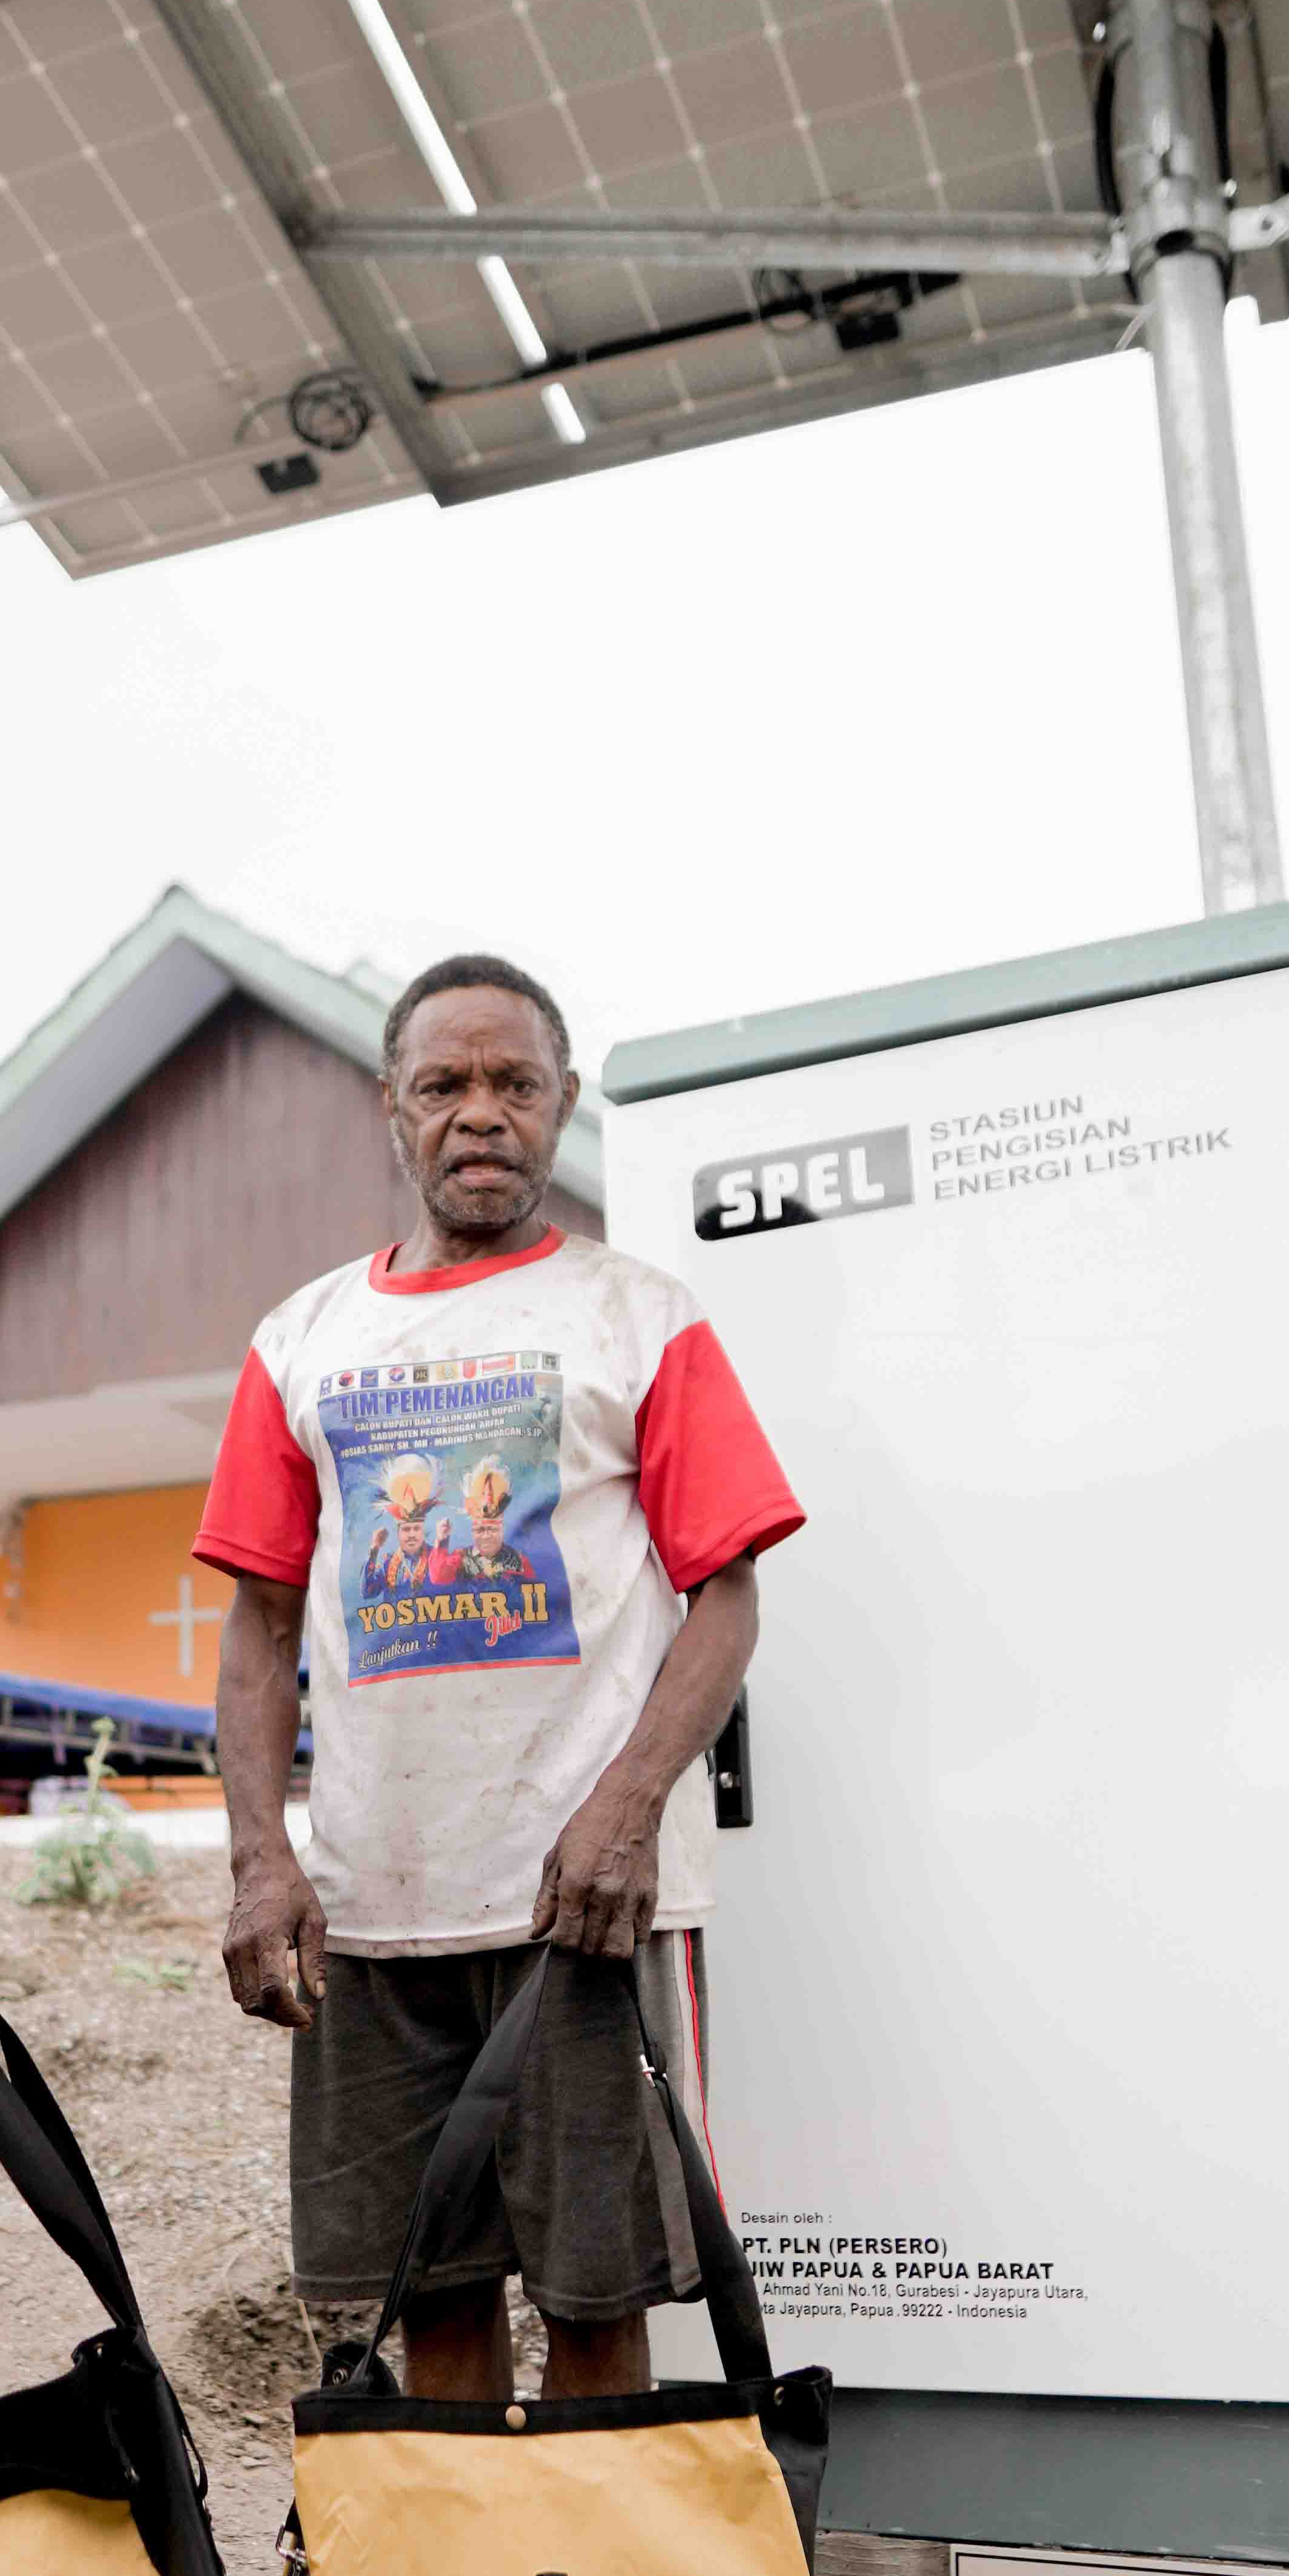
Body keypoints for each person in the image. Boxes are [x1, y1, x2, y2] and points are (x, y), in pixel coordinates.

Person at [195, 952, 802, 2403]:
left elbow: (725, 1592)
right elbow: (259, 1628)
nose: (480, 1113)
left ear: (561, 1104)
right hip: (369, 1912)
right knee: (430, 2297)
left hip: (576, 1909)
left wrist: (627, 1810)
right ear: (390, 1113)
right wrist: (258, 1860)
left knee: (599, 2303)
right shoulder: (303, 1340)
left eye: (512, 1084)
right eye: (443, 1085)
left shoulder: (636, 1316)